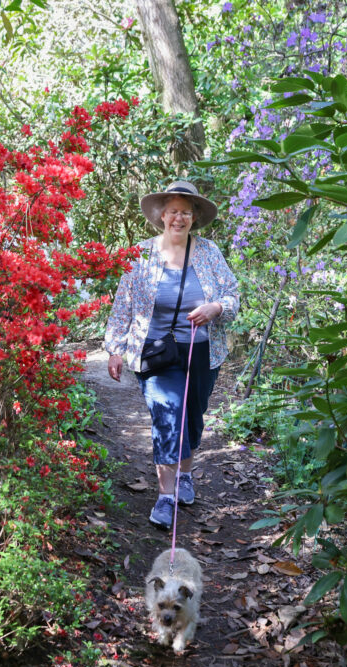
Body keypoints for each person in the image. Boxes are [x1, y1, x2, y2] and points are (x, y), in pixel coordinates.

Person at [104, 181, 240, 530]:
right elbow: (124, 304)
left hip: (202, 351)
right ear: (162, 215)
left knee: (192, 418)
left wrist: (215, 307)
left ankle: (185, 472)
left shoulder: (209, 253)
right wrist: (115, 348)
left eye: (186, 212)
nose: (179, 218)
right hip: (155, 352)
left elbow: (232, 296)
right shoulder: (140, 254)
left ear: (194, 217)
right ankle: (165, 497)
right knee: (167, 412)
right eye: (173, 211)